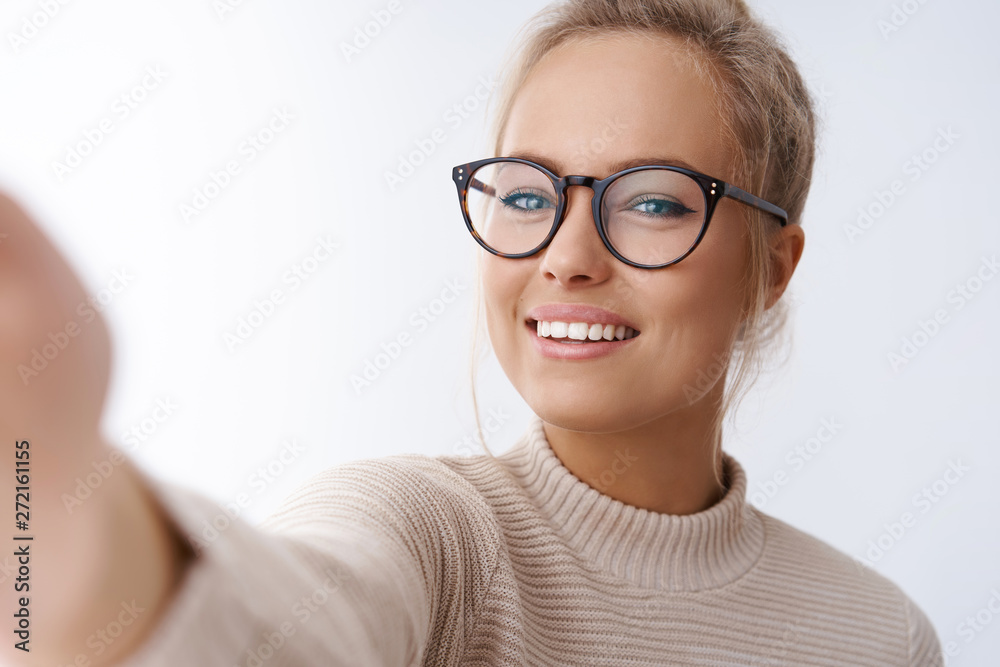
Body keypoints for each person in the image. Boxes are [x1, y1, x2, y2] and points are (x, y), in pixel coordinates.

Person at [1, 0, 944, 665]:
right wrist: (58, 506)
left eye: (653, 201)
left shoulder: (878, 635)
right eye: (528, 195)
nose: (567, 256)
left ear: (771, 269)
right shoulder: (435, 536)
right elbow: (289, 627)